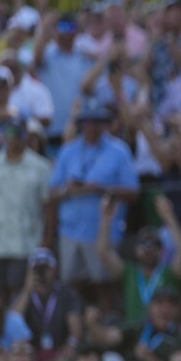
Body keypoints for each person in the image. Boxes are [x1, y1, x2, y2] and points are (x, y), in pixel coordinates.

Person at [48, 107, 140, 306]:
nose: (92, 127)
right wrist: (68, 190)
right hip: (70, 230)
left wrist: (100, 189)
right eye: (87, 122)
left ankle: (108, 327)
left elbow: (133, 192)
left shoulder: (119, 150)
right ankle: (77, 330)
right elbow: (52, 192)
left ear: (105, 124)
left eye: (97, 122)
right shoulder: (68, 151)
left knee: (105, 285)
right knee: (72, 286)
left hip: (103, 232)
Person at [0, 116, 52, 295]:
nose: (14, 138)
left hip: (26, 245)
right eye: (10, 133)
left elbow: (49, 207)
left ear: (26, 136)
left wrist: (47, 239)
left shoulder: (41, 167)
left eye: (18, 133)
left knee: (20, 291)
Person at [96, 194, 181, 329]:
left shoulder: (170, 273)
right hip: (134, 334)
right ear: (136, 249)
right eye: (144, 243)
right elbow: (103, 252)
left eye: (154, 244)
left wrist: (169, 217)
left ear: (162, 250)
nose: (149, 248)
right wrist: (106, 218)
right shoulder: (129, 272)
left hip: (164, 332)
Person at [11, 248, 86, 361]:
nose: (41, 273)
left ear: (54, 270)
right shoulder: (23, 295)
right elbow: (13, 322)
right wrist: (27, 290)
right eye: (36, 269)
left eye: (45, 269)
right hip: (31, 351)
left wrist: (69, 349)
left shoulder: (67, 293)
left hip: (60, 347)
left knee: (73, 354)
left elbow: (75, 331)